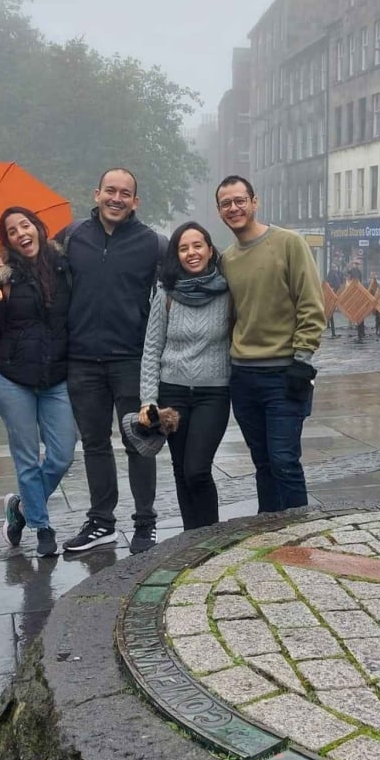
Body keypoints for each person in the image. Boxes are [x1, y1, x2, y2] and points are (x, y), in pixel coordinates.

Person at [60, 167, 164, 555]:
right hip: (82, 361)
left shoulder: (153, 243)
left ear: (135, 201)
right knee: (94, 444)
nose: (116, 198)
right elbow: (34, 268)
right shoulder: (72, 238)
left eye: (125, 193)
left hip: (132, 360)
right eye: (110, 191)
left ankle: (146, 522)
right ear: (97, 193)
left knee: (140, 441)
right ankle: (101, 521)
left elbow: (192, 270)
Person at [215, 176, 326, 513]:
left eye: (239, 200)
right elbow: (230, 316)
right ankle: (269, 531)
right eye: (225, 203)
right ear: (219, 211)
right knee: (262, 462)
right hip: (243, 377)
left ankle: (300, 531)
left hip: (283, 373)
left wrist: (302, 361)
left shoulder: (289, 243)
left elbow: (311, 304)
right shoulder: (227, 259)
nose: (233, 208)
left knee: (284, 461)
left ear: (254, 201)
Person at [0, 207, 76, 559]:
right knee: (28, 458)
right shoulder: (3, 279)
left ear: (38, 228)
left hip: (56, 377)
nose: (21, 233)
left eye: (25, 225)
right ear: (8, 241)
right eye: (12, 231)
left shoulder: (64, 268)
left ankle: (19, 509)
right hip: (12, 379)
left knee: (63, 454)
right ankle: (41, 526)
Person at [137, 222, 232, 530]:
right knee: (180, 469)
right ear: (175, 255)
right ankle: (191, 541)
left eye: (197, 246)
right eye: (183, 248)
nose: (191, 253)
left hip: (213, 393)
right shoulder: (166, 293)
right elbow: (152, 349)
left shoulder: (228, 291)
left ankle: (211, 540)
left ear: (210, 249)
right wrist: (148, 400)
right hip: (172, 394)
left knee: (197, 470)